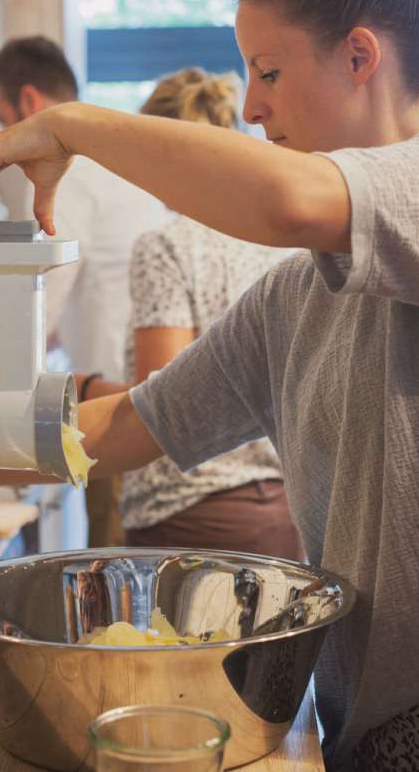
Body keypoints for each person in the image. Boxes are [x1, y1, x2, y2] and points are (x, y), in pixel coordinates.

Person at [0, 0, 419, 771]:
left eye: (270, 72)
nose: (250, 106)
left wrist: (65, 125)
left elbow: (284, 197)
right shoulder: (293, 300)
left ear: (361, 57)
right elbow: (126, 425)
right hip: (361, 723)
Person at [0, 35, 169, 545]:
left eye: (3, 120)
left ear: (28, 103)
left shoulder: (71, 180)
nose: (3, 136)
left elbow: (29, 320)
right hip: (137, 402)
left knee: (117, 578)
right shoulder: (107, 171)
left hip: (120, 416)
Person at [113, 67, 302, 558]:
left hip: (187, 515)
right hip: (283, 508)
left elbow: (163, 400)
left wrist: (85, 390)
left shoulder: (166, 247)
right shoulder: (281, 242)